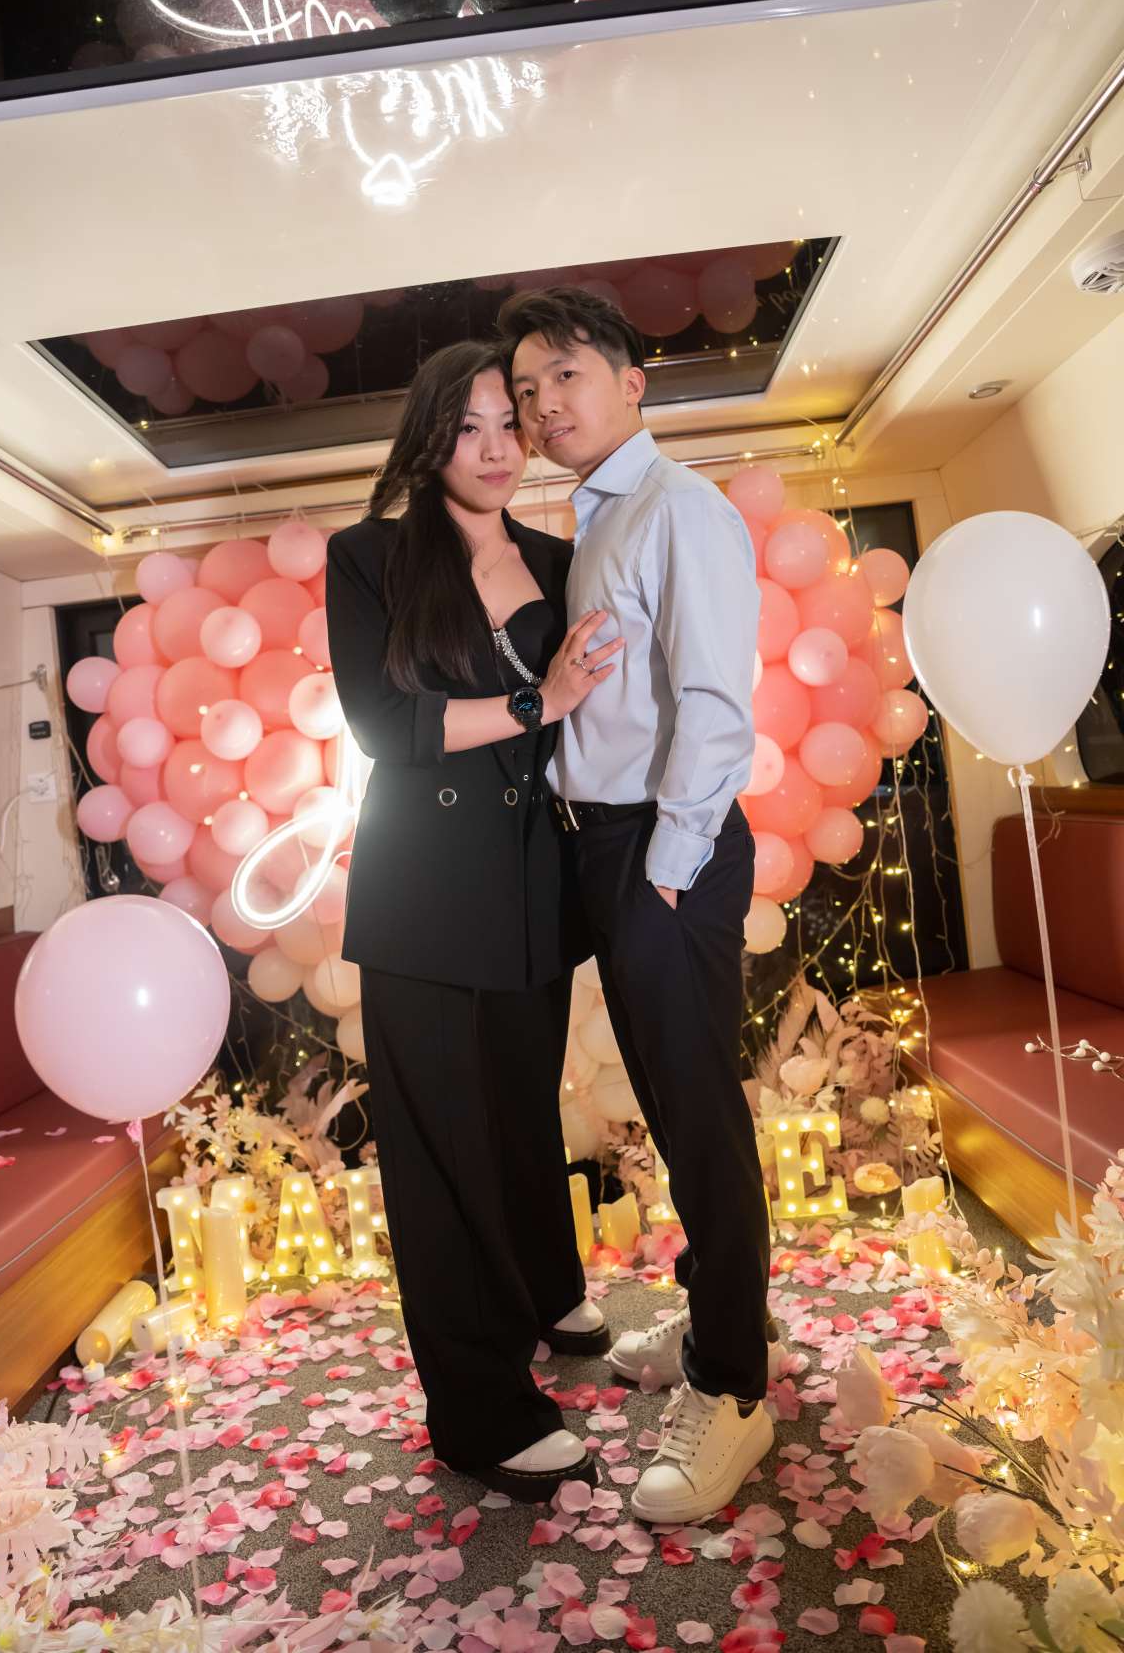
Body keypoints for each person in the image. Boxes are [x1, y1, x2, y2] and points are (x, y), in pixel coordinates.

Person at [324, 339, 625, 1502]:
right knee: (444, 1156)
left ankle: (545, 1294)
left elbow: (595, 717)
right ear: (428, 438)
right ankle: (480, 1415)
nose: (498, 448)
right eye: (469, 427)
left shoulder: (558, 556)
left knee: (518, 1116)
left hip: (532, 884)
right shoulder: (371, 558)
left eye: (512, 422)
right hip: (422, 895)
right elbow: (384, 728)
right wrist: (538, 699)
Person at [500, 287, 777, 1525]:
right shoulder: (598, 518)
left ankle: (734, 1387)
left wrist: (667, 863)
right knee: (674, 1108)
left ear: (630, 383)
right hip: (615, 851)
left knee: (700, 1121)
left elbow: (715, 701)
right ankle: (722, 1316)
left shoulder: (679, 508)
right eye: (524, 391)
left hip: (664, 849)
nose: (542, 406)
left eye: (563, 376)